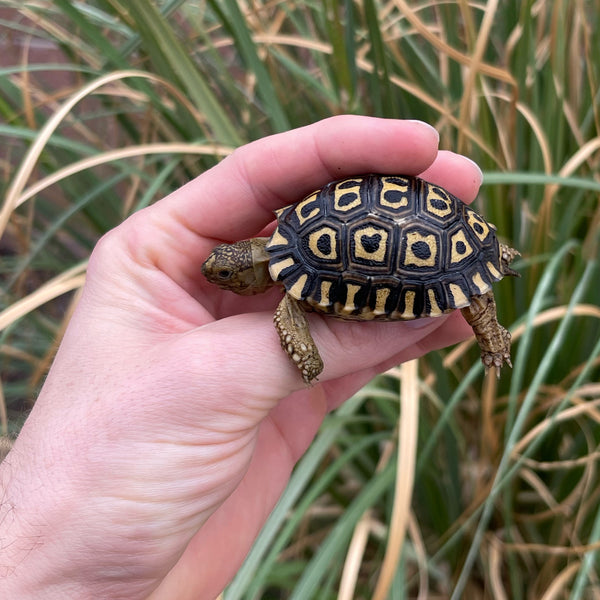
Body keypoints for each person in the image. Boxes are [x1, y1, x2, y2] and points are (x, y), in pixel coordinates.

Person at [0, 116, 482, 599]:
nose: (226, 278)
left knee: (472, 301)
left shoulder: (293, 298)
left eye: (233, 275)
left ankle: (491, 326)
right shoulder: (299, 227)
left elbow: (307, 356)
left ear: (253, 271)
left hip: (421, 253)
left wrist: (38, 567)